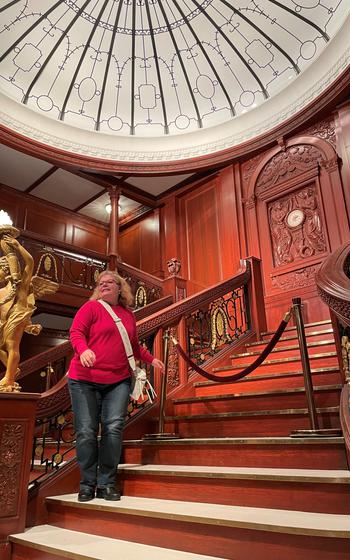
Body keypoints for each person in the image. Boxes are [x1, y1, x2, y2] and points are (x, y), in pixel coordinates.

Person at [67, 270, 164, 502]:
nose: (104, 285)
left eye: (110, 282)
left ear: (120, 288)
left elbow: (132, 345)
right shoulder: (90, 308)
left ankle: (107, 483)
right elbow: (76, 332)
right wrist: (84, 350)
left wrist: (151, 359)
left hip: (118, 380)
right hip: (84, 380)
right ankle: (87, 483)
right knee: (87, 431)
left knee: (113, 429)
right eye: (101, 283)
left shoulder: (128, 315)